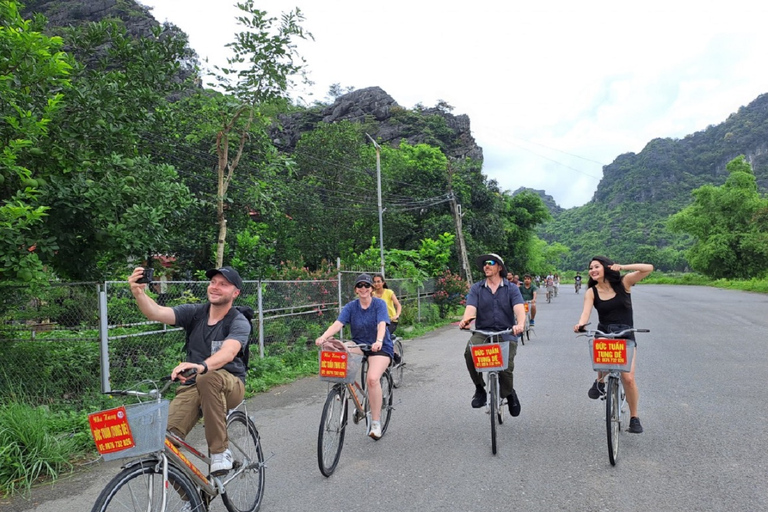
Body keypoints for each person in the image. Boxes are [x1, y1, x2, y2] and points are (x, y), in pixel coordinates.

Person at [128, 265, 250, 473]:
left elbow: (229, 352)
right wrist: (139, 293)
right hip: (193, 387)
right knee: (164, 443)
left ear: (235, 293)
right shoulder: (195, 313)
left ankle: (221, 452)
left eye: (223, 284)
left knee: (208, 377)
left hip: (230, 385)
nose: (215, 287)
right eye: (213, 282)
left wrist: (201, 366)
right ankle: (193, 499)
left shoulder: (238, 321)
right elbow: (156, 312)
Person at [573, 257, 653, 434]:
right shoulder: (592, 292)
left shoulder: (624, 283)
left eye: (596, 266)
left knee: (628, 378)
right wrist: (580, 325)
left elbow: (648, 268)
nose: (592, 270)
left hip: (626, 335)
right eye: (590, 268)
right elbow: (585, 314)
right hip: (605, 333)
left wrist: (623, 266)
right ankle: (600, 381)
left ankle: (634, 417)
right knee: (600, 347)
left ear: (606, 268)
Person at [316, 273, 393, 439]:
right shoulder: (351, 307)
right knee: (337, 349)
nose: (363, 288)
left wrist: (379, 340)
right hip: (359, 344)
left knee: (372, 379)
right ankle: (345, 391)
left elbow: (381, 324)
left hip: (379, 346)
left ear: (372, 289)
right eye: (360, 286)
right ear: (356, 290)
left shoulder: (379, 304)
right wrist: (324, 336)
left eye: (367, 285)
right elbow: (338, 324)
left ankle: (376, 423)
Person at [458, 254, 525, 417]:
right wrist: (466, 320)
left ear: (499, 267)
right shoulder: (477, 288)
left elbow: (519, 309)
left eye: (490, 263)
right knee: (469, 352)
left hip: (506, 332)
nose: (486, 266)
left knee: (506, 368)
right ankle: (480, 389)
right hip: (483, 332)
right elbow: (471, 309)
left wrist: (520, 324)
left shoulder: (511, 288)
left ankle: (509, 393)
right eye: (484, 264)